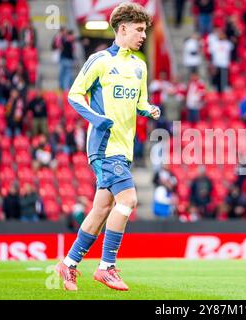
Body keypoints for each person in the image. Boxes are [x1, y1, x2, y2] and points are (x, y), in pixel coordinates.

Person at [55, 2, 160, 292]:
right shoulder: (100, 60)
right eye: (138, 30)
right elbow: (74, 95)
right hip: (103, 147)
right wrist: (96, 119)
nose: (142, 35)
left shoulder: (140, 65)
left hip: (124, 148)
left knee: (101, 208)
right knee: (128, 200)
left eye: (144, 30)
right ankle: (106, 267)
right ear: (122, 29)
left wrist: (148, 109)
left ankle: (68, 264)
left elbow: (139, 102)